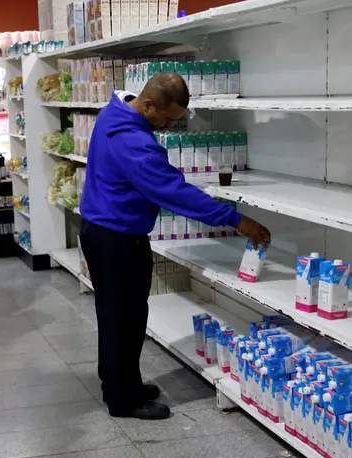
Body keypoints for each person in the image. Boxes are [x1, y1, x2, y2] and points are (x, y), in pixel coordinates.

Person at [79, 72, 271, 420]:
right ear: (148, 103)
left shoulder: (116, 109)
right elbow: (174, 192)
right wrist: (236, 219)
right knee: (124, 319)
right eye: (166, 118)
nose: (168, 125)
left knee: (118, 315)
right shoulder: (133, 144)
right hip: (117, 238)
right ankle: (124, 400)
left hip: (104, 231)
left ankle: (123, 383)